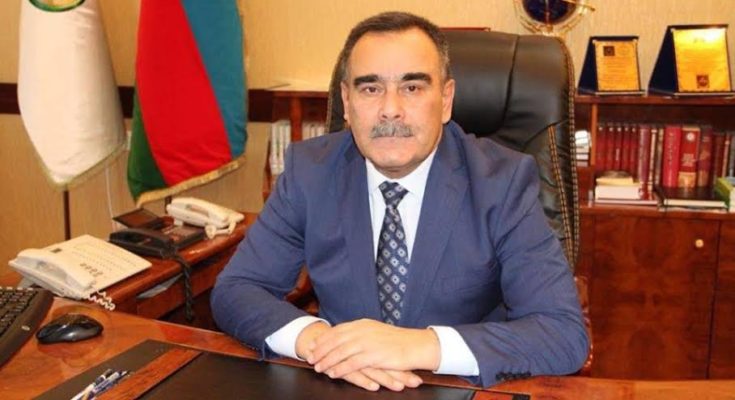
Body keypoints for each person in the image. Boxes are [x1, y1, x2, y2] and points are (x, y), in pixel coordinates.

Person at [211, 11, 588, 391]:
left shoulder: (502, 182)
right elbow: (237, 288)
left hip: (458, 387)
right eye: (370, 89)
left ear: (446, 100)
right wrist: (321, 343)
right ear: (346, 101)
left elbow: (562, 334)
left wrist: (417, 346)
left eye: (412, 87)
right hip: (343, 384)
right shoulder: (310, 172)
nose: (390, 109)